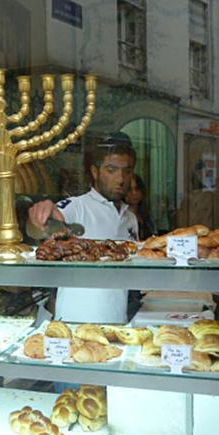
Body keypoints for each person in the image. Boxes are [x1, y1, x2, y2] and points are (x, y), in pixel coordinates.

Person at [28, 133, 138, 324]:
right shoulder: (77, 206)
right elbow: (43, 227)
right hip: (74, 322)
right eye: (111, 170)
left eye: (126, 171)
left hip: (116, 320)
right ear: (95, 172)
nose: (120, 179)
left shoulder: (130, 218)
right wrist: (40, 217)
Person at [125, 174, 155, 240]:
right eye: (129, 190)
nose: (134, 193)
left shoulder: (145, 214)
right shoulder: (121, 216)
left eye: (137, 189)